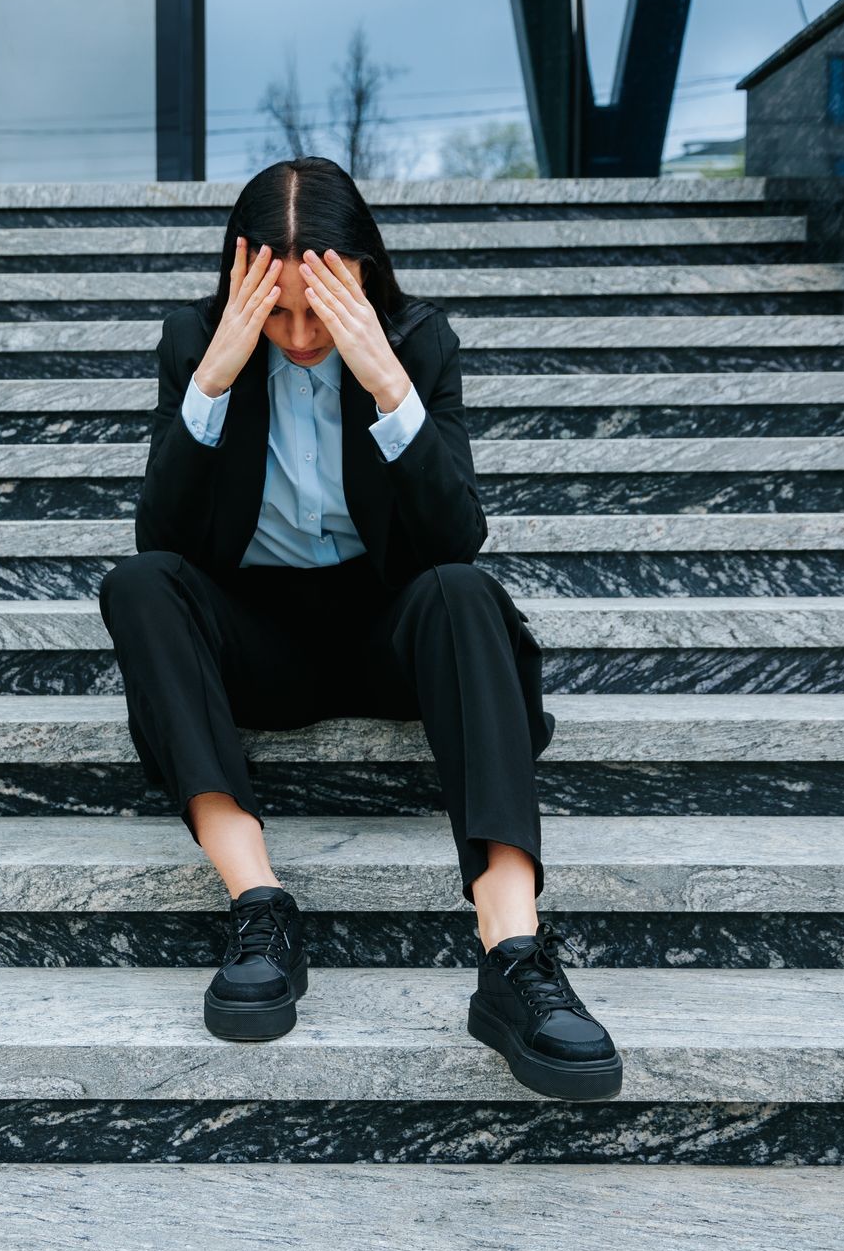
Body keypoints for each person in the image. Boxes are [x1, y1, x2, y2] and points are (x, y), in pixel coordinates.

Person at [96, 157, 622, 1102]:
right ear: (242, 288)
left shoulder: (418, 344)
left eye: (319, 313)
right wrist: (213, 376)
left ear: (364, 281)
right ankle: (259, 905)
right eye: (279, 312)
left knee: (467, 592)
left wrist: (386, 382)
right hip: (256, 640)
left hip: (389, 637)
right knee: (137, 584)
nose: (299, 338)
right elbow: (164, 541)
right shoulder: (198, 344)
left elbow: (457, 537)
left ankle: (515, 956)